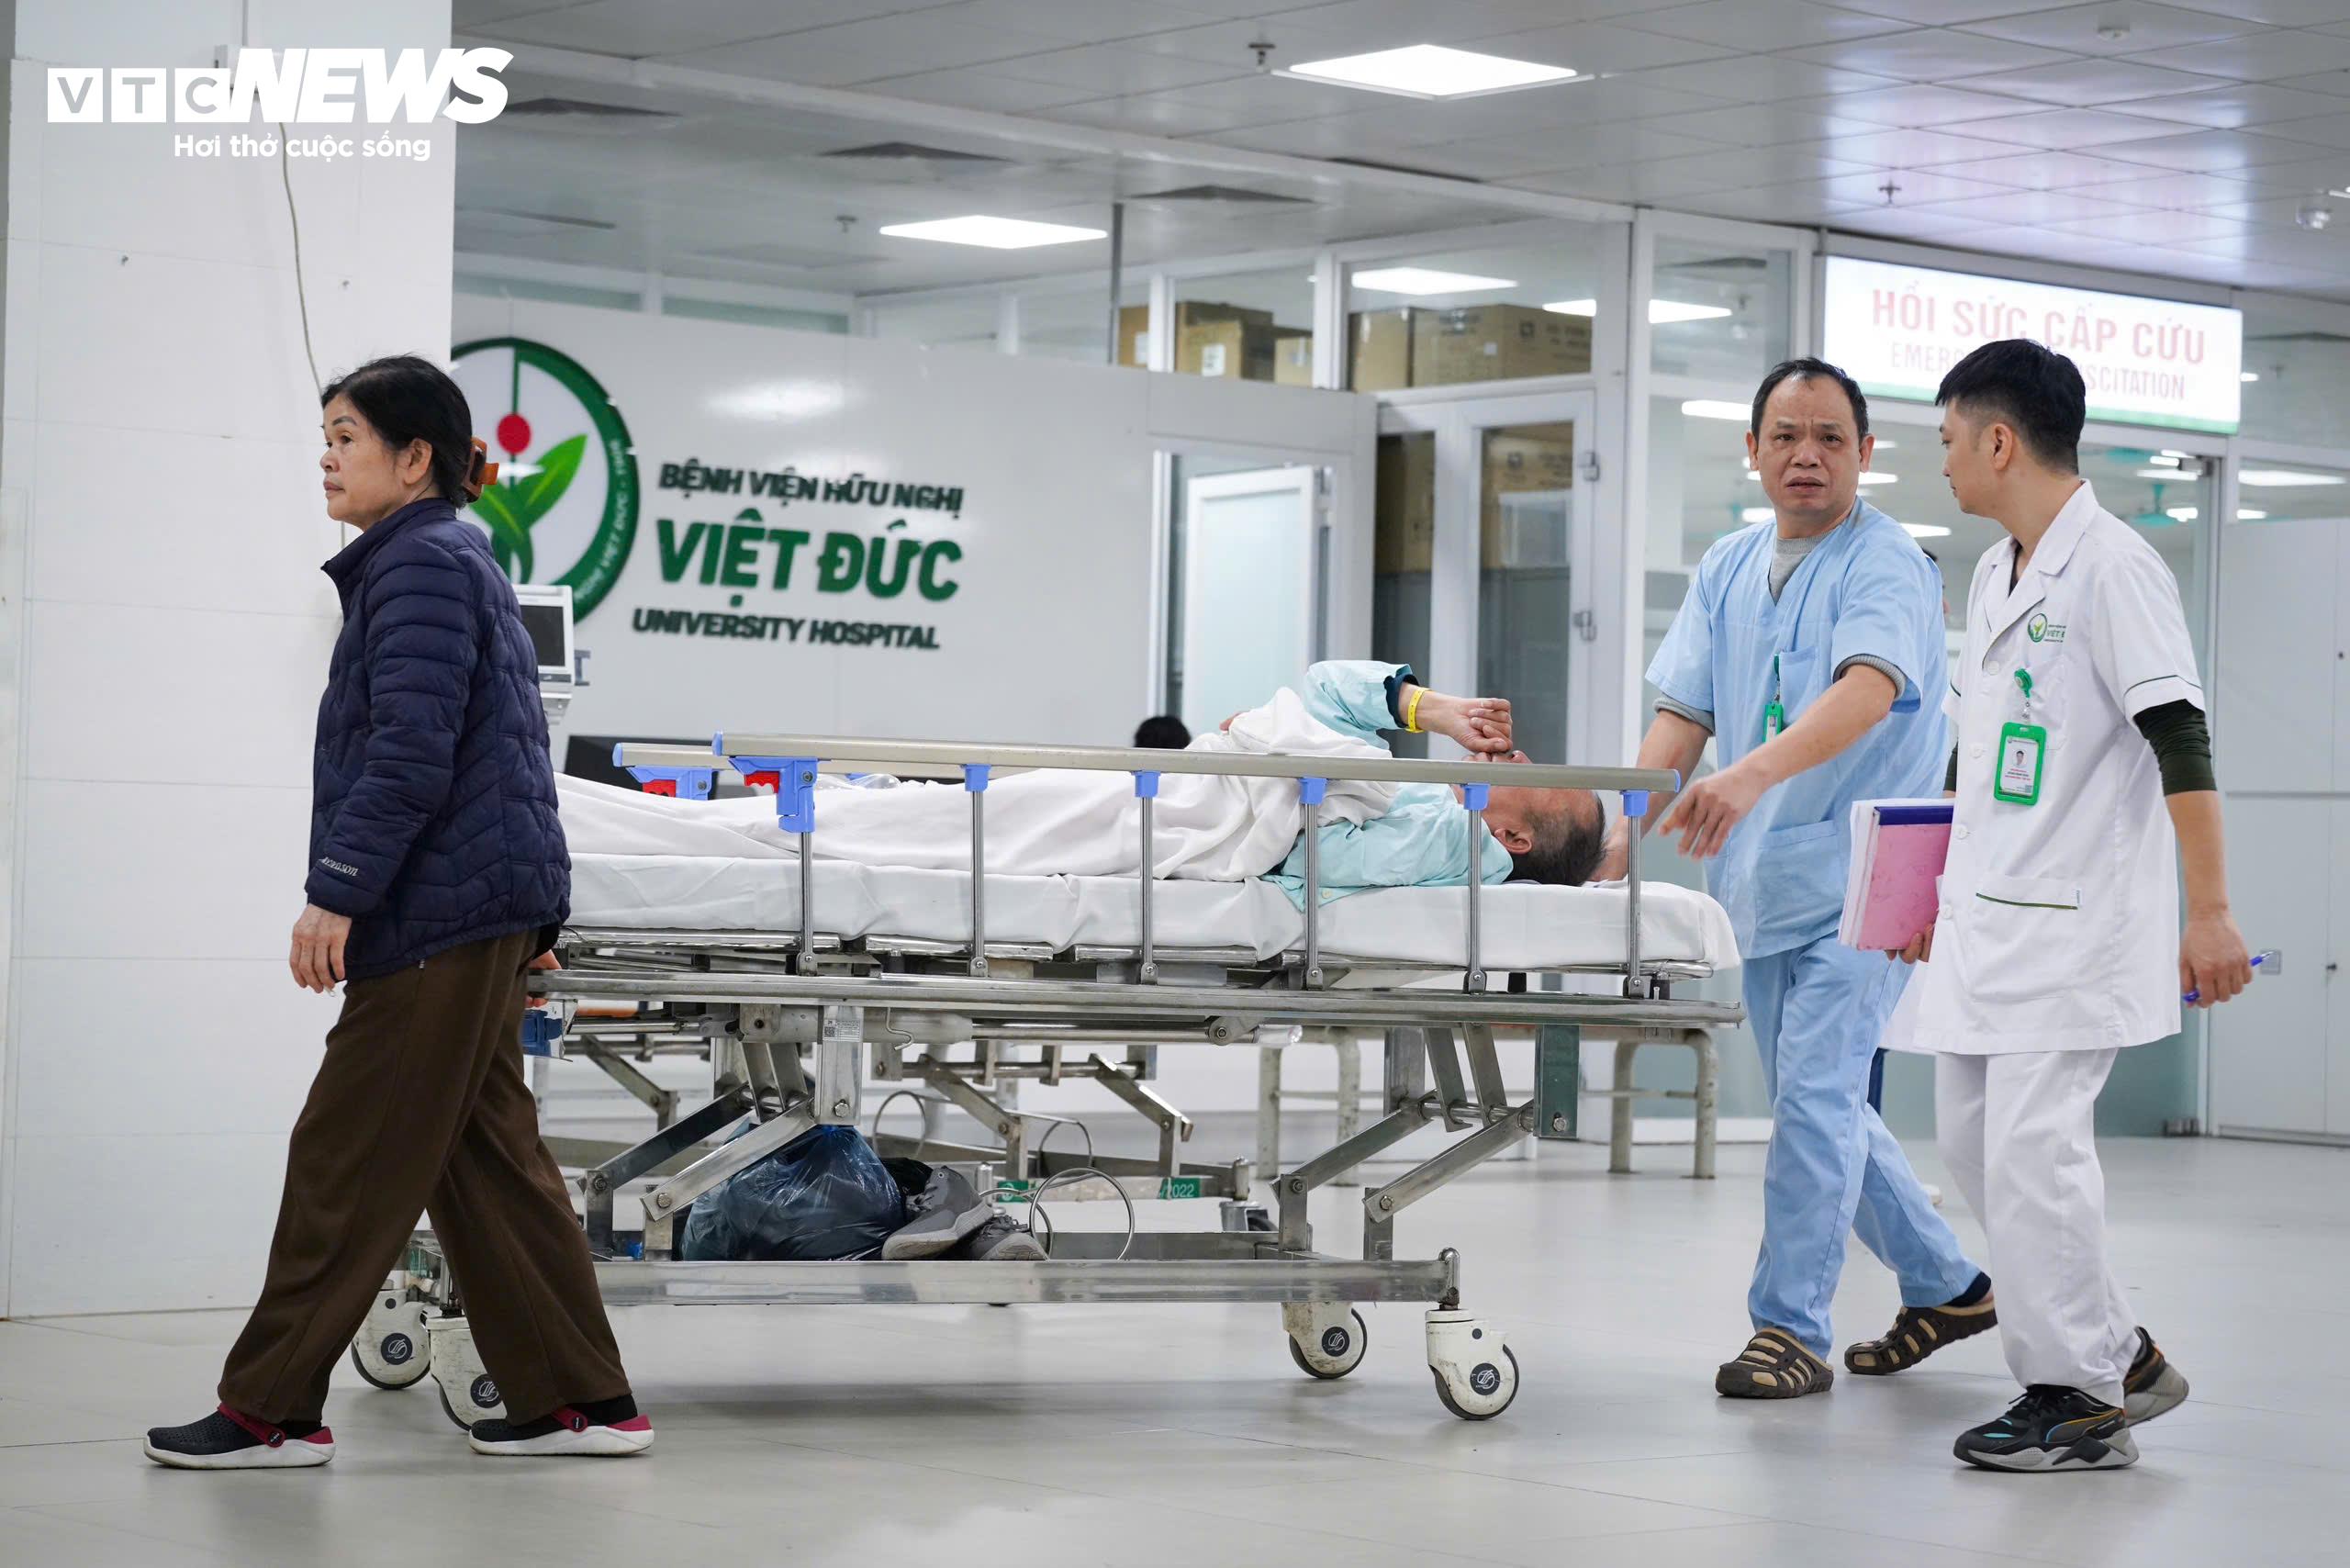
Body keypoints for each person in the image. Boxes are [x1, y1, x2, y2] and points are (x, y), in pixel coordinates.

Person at [143, 356, 650, 1470]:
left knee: (347, 1154)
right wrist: (530, 916)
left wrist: (337, 892)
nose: (326, 458)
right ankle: (581, 1400)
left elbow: (412, 756)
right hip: (475, 908)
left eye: (347, 436)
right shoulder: (449, 558)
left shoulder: (419, 564)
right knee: (487, 1159)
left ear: (414, 457)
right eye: (325, 436)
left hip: (435, 918)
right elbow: (499, 751)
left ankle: (269, 1410)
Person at [1606, 357, 1989, 1400]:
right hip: (1769, 879)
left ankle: (1789, 1328)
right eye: (1785, 436)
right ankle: (1950, 1285)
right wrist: (1618, 835)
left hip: (1874, 877)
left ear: (1865, 452)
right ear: (1753, 450)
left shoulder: (1888, 562)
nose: (1805, 456)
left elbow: (1868, 690)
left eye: (1828, 438)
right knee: (1822, 1105)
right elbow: (1682, 714)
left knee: (1817, 1098)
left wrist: (1749, 775)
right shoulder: (1729, 565)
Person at [1894, 339, 2244, 1473]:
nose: (1944, 461)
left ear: (1999, 440)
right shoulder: (1998, 572)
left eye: (1949, 439)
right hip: (1987, 918)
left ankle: (2077, 1396)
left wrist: (2209, 910)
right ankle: (2120, 1353)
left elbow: (2179, 736)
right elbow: (1976, 752)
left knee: (2034, 1155)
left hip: (2073, 923)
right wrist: (1929, 888)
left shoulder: (2115, 568)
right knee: (1973, 1145)